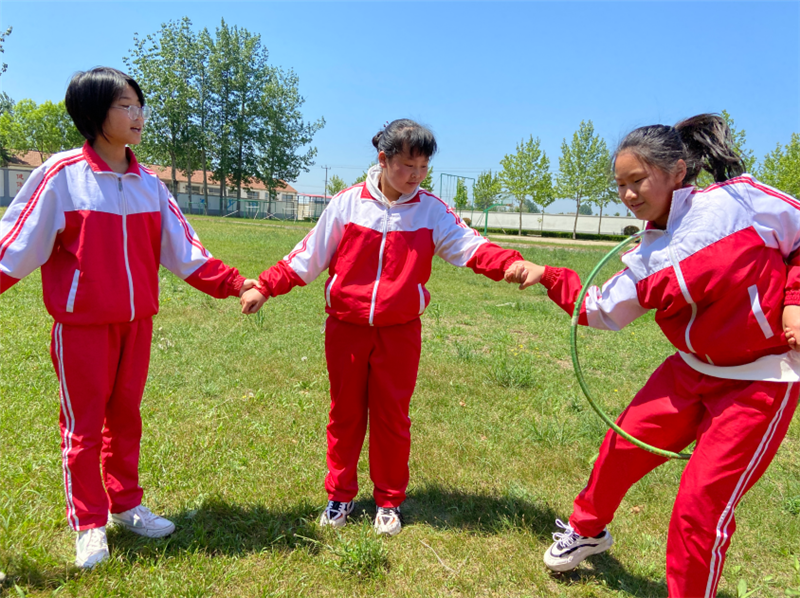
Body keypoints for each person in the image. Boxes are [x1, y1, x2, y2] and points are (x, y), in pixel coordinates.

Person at [505, 114, 800, 597]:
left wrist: (794, 303)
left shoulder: (741, 201)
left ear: (678, 172)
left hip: (760, 380)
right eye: (620, 185)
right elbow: (601, 309)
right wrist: (549, 275)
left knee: (699, 508)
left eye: (637, 180)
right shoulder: (646, 252)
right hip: (689, 369)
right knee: (621, 448)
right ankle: (588, 531)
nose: (627, 194)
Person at [0, 67, 257, 569]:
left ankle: (126, 504)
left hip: (137, 325)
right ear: (95, 114)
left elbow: (185, 251)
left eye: (140, 106)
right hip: (82, 328)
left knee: (126, 419)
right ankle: (90, 524)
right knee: (84, 428)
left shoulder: (149, 184)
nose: (138, 116)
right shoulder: (62, 177)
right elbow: (14, 246)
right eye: (126, 106)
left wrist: (234, 283)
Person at [240, 119, 526, 536]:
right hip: (346, 329)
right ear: (383, 159)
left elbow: (472, 246)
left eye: (423, 169)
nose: (415, 177)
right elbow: (308, 255)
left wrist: (509, 264)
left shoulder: (431, 211)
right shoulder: (347, 204)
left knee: (393, 417)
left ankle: (388, 501)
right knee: (345, 414)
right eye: (408, 166)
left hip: (400, 332)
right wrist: (265, 285)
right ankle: (340, 496)